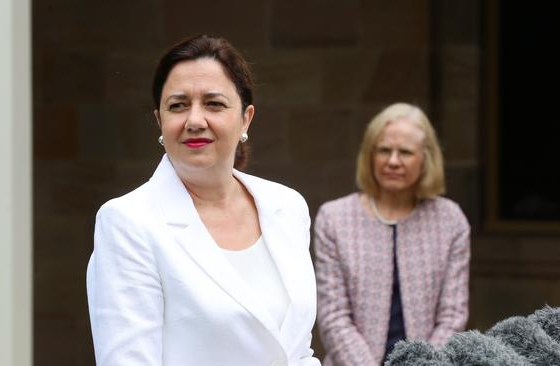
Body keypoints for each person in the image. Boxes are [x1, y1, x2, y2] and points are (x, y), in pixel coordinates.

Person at [86, 34, 321, 366]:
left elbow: (296, 351)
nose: (195, 121)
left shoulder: (287, 206)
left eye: (214, 103)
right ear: (159, 120)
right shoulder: (127, 221)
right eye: (178, 105)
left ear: (246, 118)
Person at [314, 103, 470, 366]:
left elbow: (453, 316)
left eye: (406, 152)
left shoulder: (450, 220)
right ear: (370, 155)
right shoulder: (334, 218)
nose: (393, 161)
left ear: (426, 158)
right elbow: (333, 316)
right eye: (384, 150)